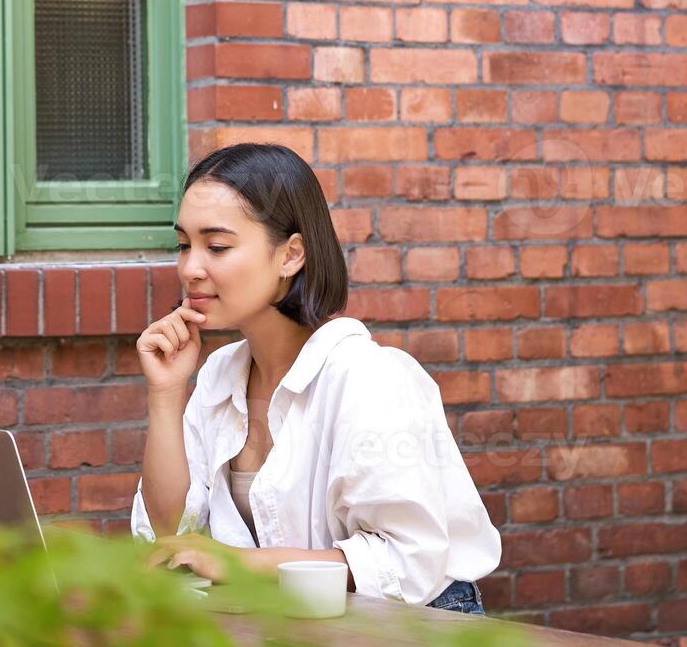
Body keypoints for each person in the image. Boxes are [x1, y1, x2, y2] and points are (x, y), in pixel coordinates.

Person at [131, 143, 502, 615]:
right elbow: (169, 537)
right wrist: (165, 393)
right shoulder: (220, 374)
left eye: (217, 246)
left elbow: (405, 562)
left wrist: (239, 564)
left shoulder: (369, 378)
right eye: (184, 245)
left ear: (291, 255)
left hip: (416, 624)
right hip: (298, 622)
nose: (190, 268)